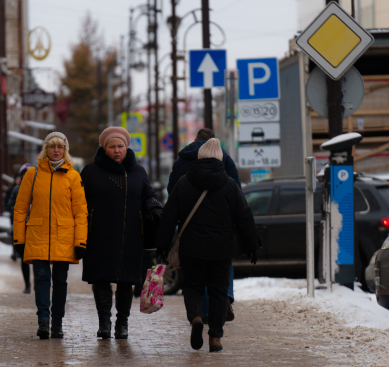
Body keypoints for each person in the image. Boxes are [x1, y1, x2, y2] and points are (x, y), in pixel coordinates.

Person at [156, 139, 260, 352]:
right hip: (221, 249)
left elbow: (169, 217)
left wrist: (162, 245)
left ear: (199, 157)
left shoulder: (184, 183)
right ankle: (215, 337)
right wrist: (252, 244)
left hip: (191, 248)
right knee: (219, 291)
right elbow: (244, 215)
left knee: (193, 286)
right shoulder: (229, 184)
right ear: (220, 159)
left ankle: (195, 318)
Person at [81, 126, 162, 340]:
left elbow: (148, 195)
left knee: (127, 280)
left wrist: (153, 205)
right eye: (112, 146)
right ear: (104, 148)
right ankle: (104, 323)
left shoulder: (138, 171)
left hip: (131, 236)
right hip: (99, 235)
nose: (117, 150)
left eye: (120, 146)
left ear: (127, 148)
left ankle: (122, 324)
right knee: (101, 279)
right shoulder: (90, 171)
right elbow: (78, 202)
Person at [13, 132, 88, 340]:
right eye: (52, 146)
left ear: (65, 150)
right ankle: (43, 321)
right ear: (45, 149)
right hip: (37, 235)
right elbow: (20, 209)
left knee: (60, 281)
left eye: (60, 147)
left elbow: (81, 212)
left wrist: (80, 241)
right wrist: (19, 238)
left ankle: (57, 323)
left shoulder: (73, 176)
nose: (56, 150)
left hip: (64, 236)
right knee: (42, 278)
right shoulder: (33, 174)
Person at [167, 128, 239, 322]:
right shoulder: (225, 159)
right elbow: (237, 193)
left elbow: (172, 192)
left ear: (195, 139)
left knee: (194, 275)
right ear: (214, 141)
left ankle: (199, 313)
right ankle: (223, 303)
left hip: (190, 226)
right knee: (220, 269)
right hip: (220, 226)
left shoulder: (181, 161)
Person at [7, 166, 32, 293]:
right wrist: (18, 212)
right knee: (24, 257)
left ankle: (39, 284)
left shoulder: (38, 187)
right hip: (22, 226)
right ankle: (27, 284)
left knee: (40, 259)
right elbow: (10, 205)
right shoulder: (17, 189)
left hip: (36, 227)